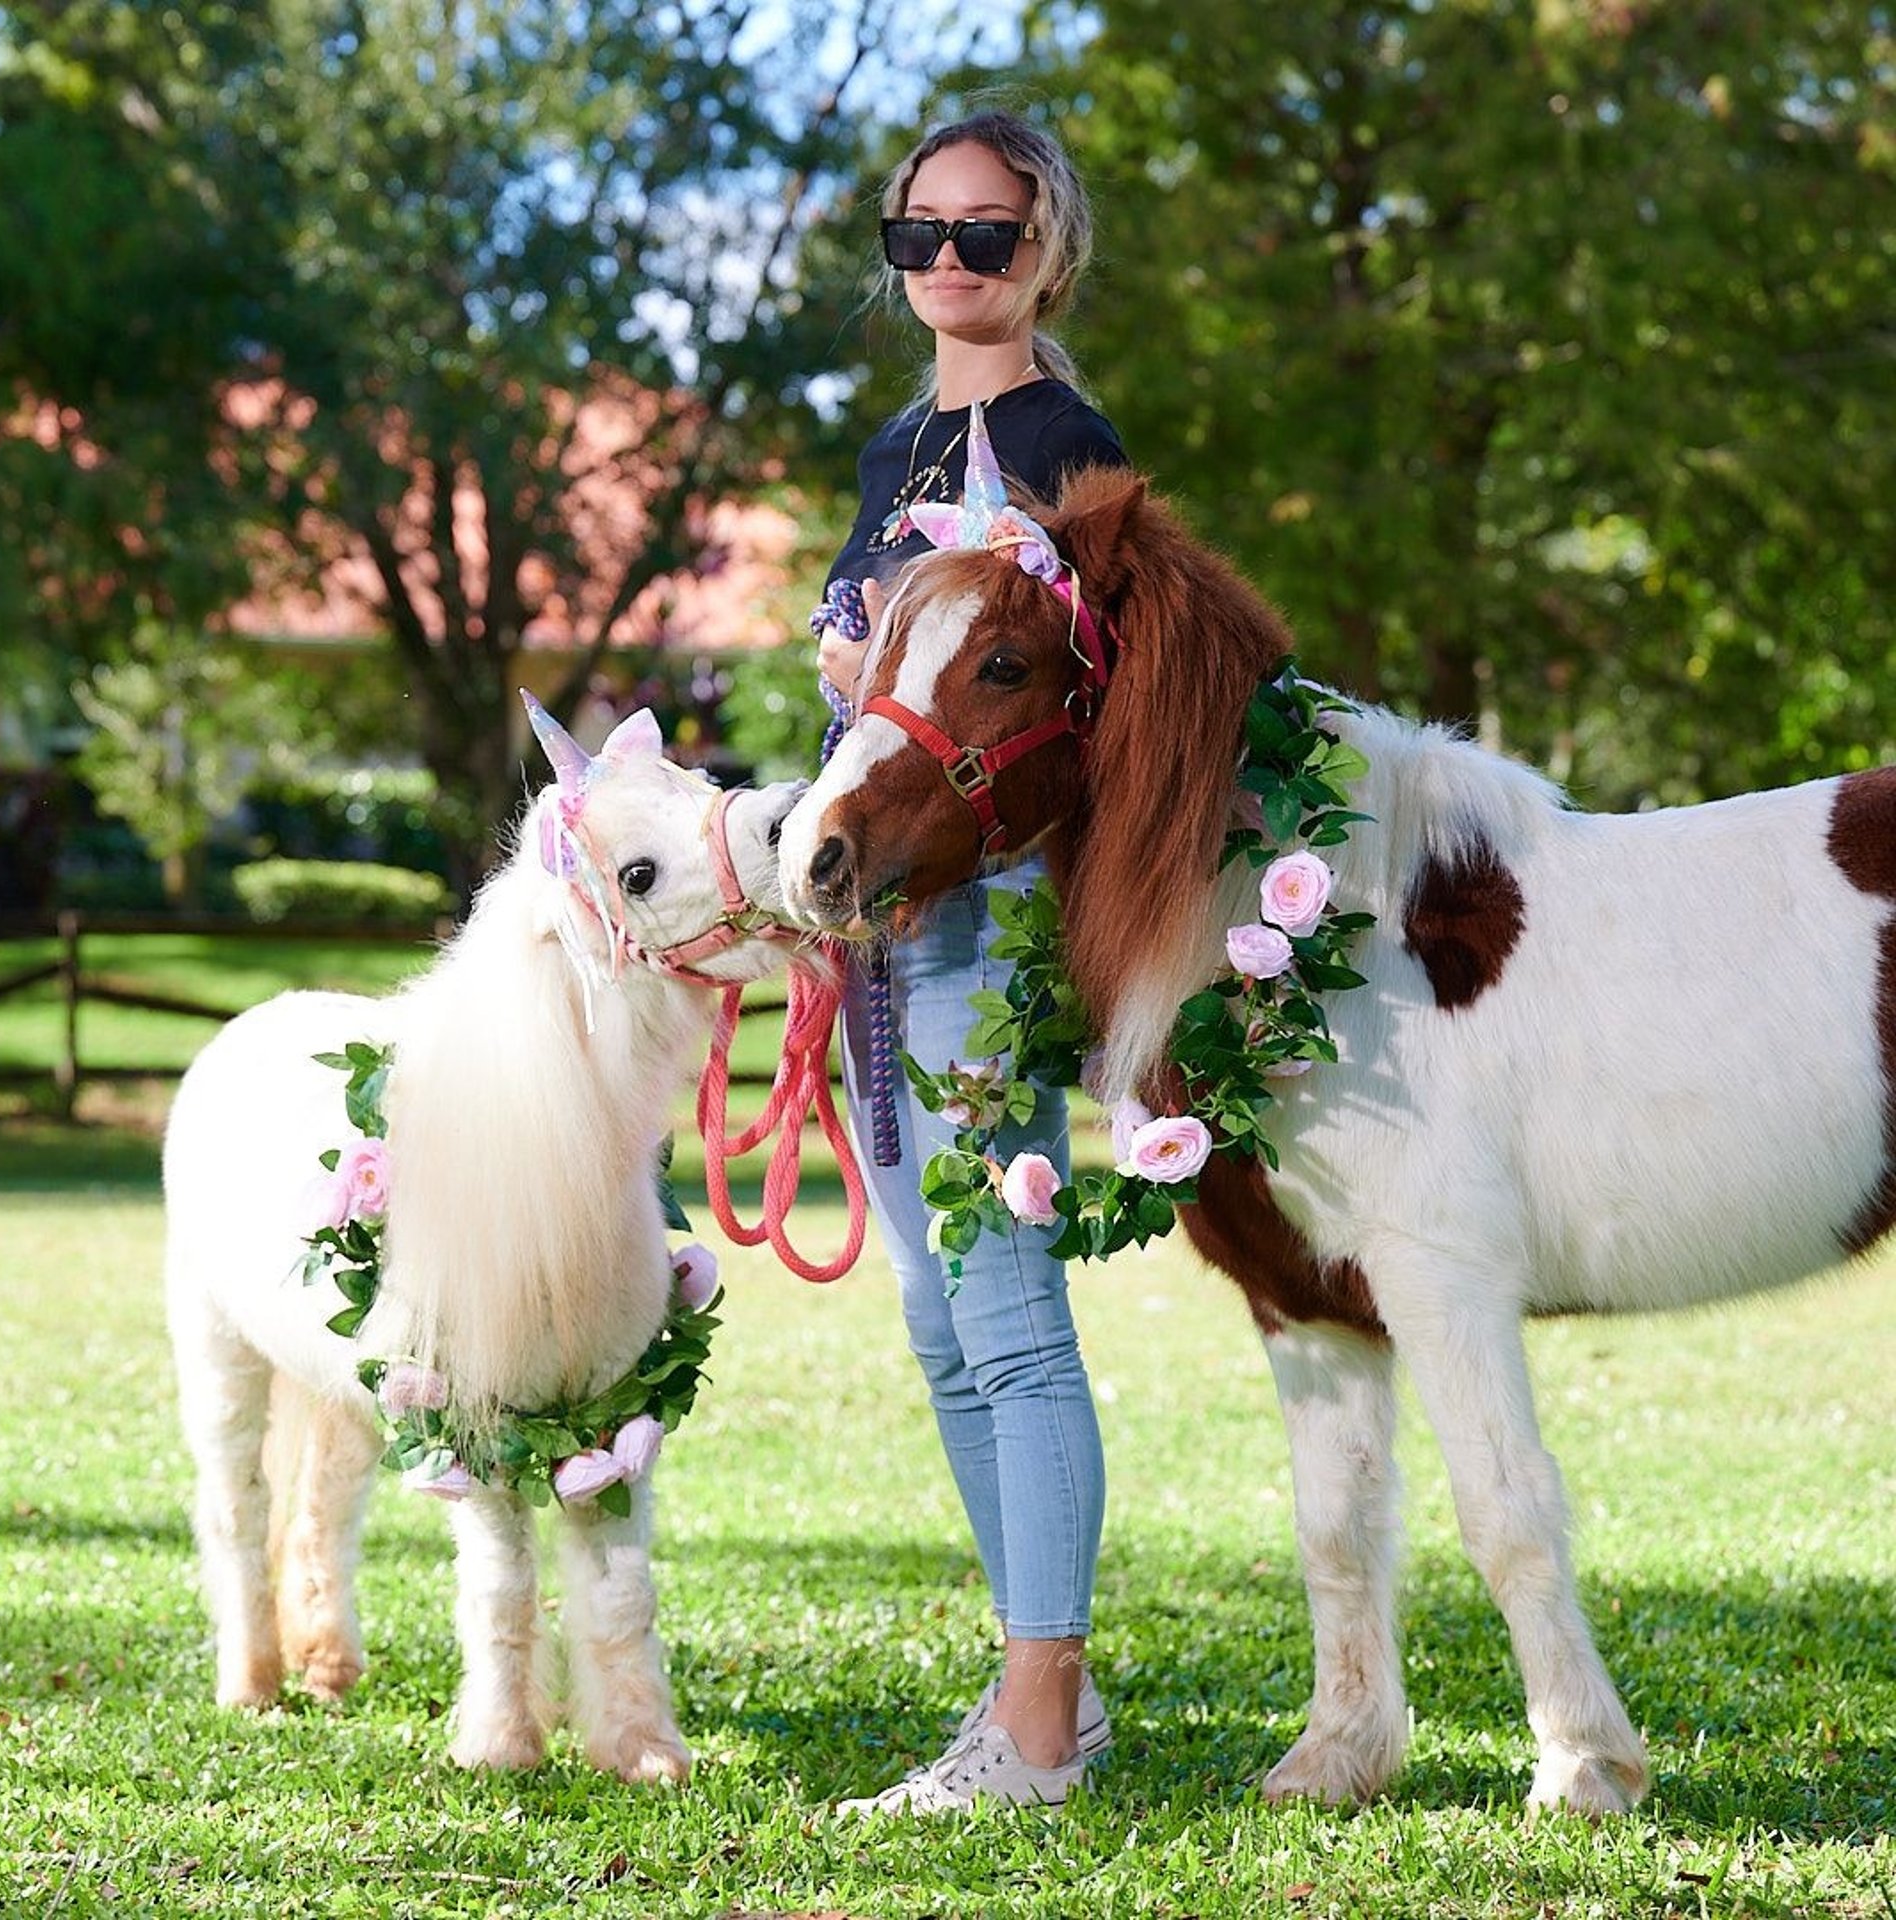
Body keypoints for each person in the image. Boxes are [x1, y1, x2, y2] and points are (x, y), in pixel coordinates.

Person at [809, 109, 1130, 1815]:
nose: (948, 264)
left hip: (989, 927)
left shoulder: (1063, 443)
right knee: (938, 1325)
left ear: (1045, 250)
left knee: (1005, 1317)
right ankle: (1036, 1700)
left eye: (984, 236)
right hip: (876, 929)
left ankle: (1038, 1724)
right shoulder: (890, 453)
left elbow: (1096, 706)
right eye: (918, 236)